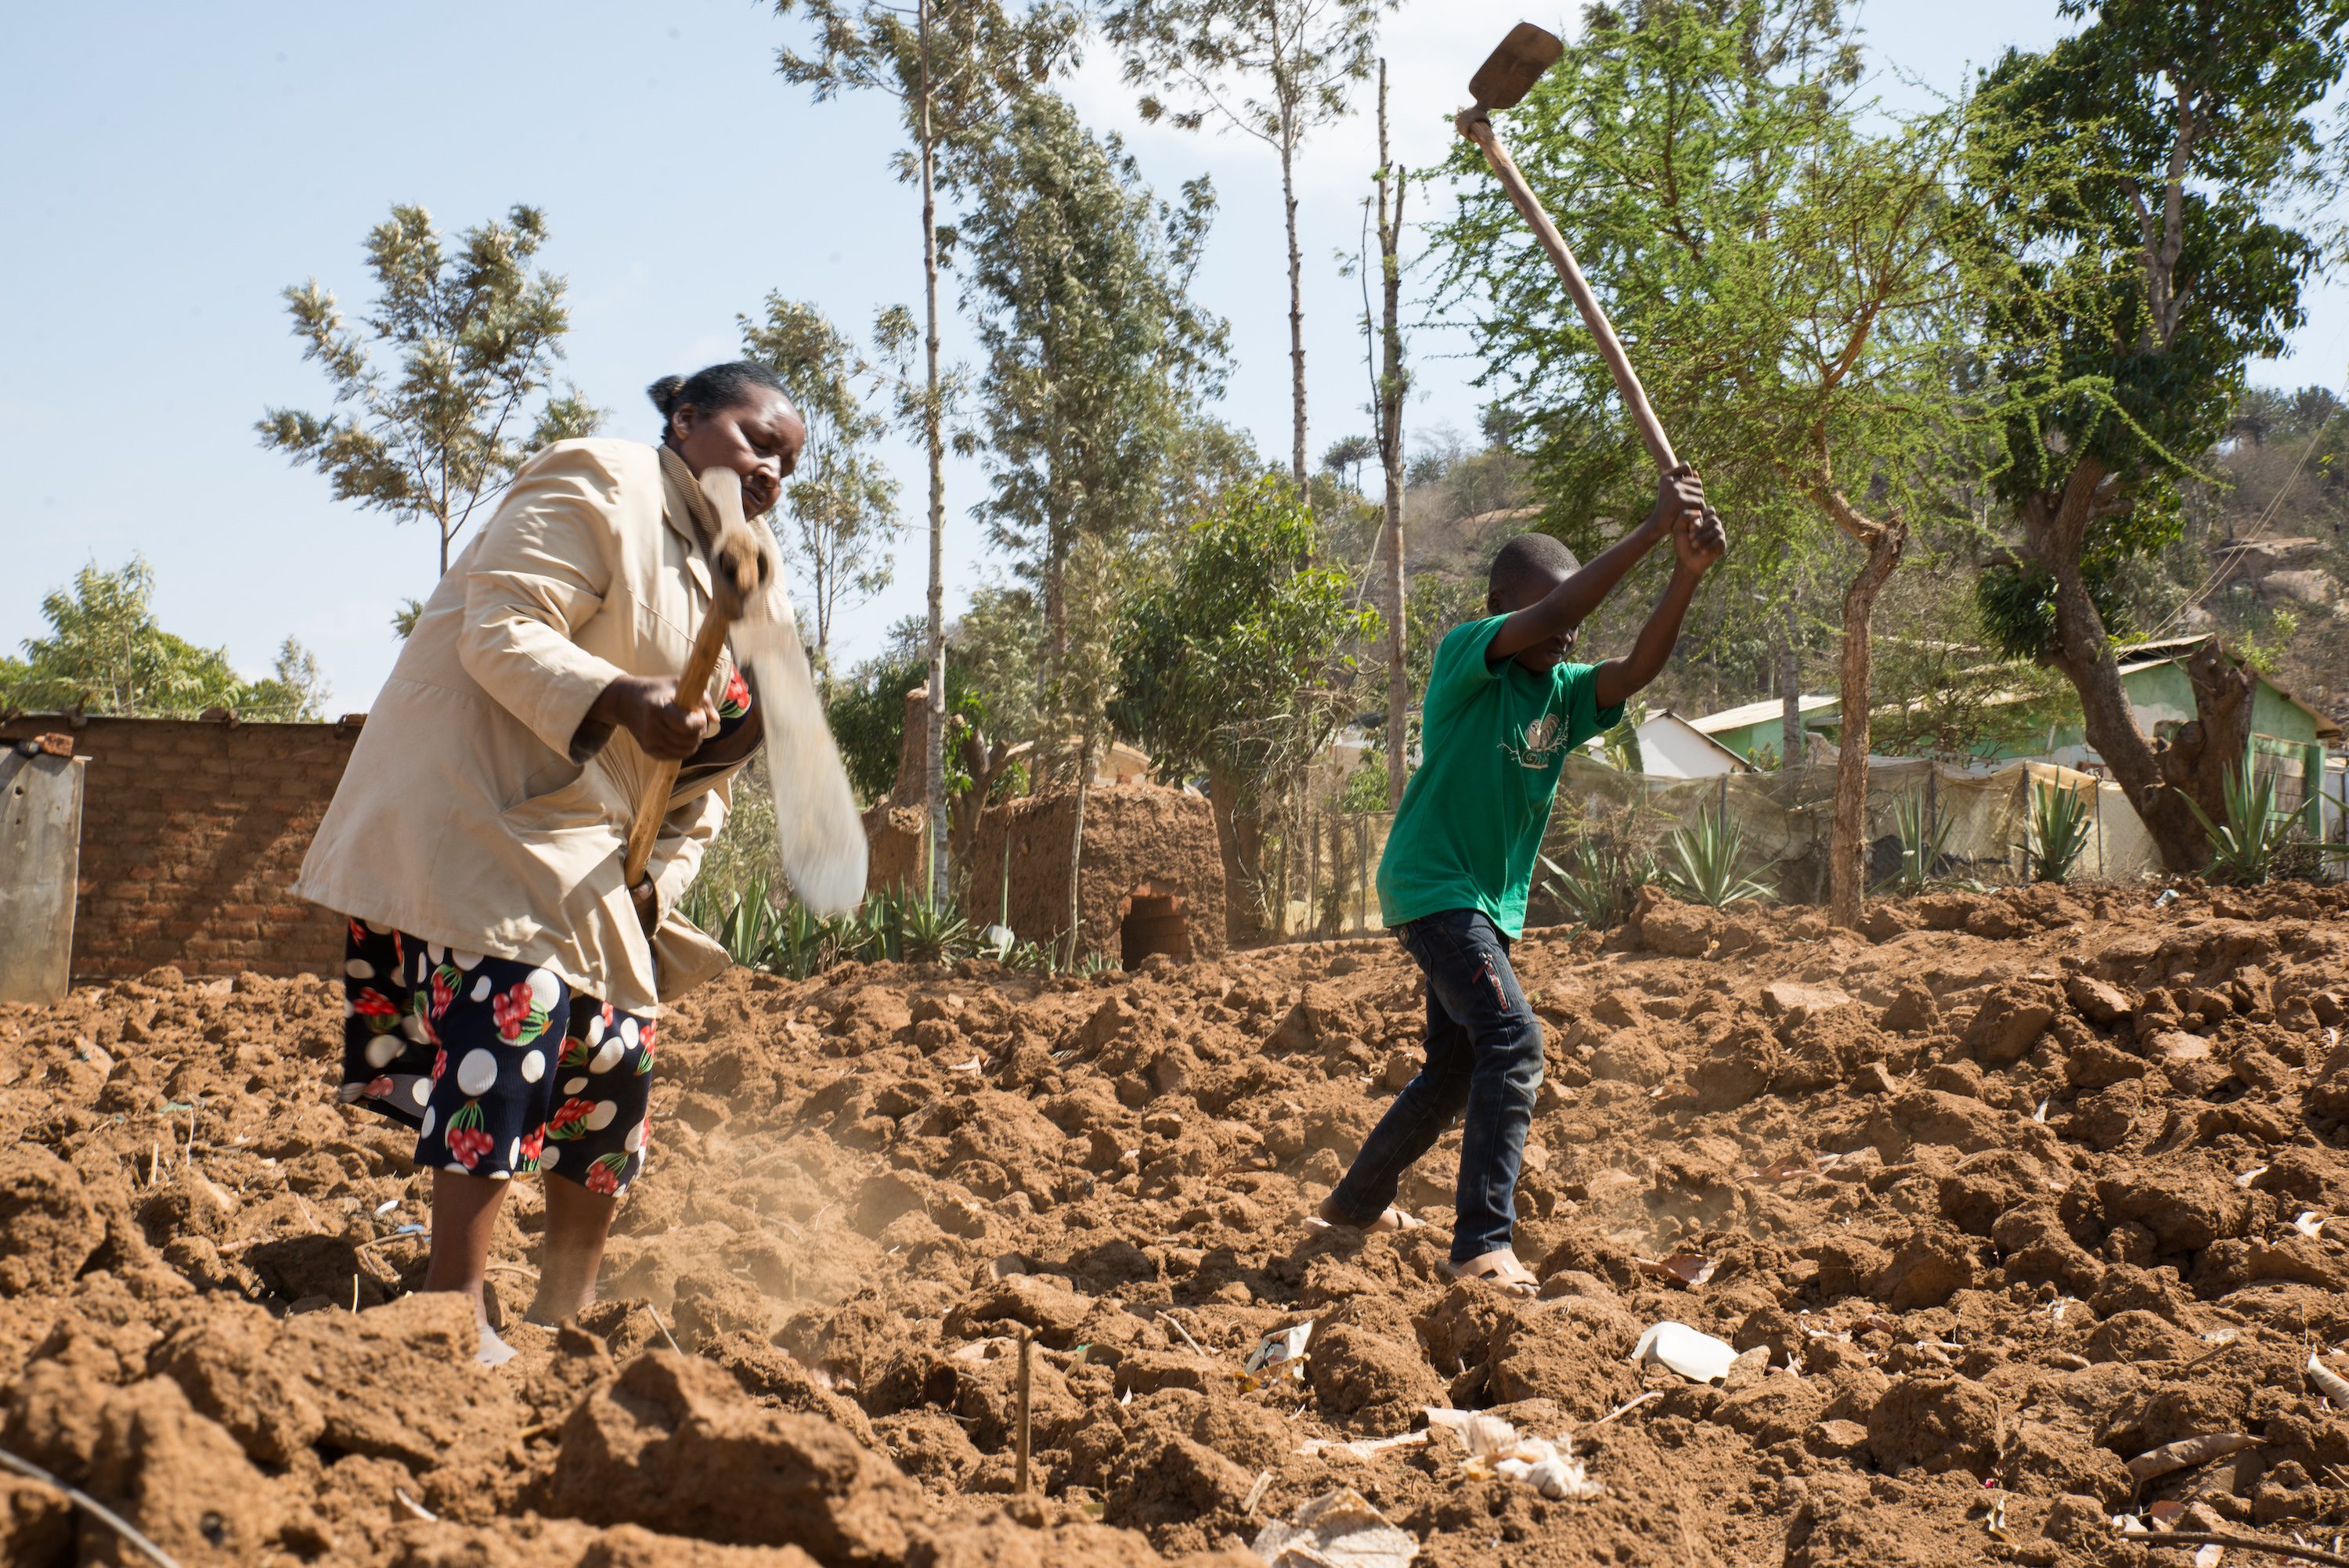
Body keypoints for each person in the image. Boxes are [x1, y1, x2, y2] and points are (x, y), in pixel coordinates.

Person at [292, 362, 803, 1361]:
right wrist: (623, 695)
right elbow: (503, 628)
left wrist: (665, 878)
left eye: (789, 463)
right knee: (509, 1016)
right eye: (756, 440)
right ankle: (456, 1304)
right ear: (688, 421)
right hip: (493, 810)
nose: (773, 471)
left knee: (614, 1060)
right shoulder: (601, 482)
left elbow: (711, 774)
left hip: (599, 854)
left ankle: (560, 1312)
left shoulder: (747, 576)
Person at [1316, 465, 1725, 1295]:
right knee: (1515, 1040)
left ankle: (1353, 1207)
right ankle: (1480, 1243)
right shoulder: (1470, 657)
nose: (1567, 632)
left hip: (1483, 906)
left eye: (1571, 618)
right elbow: (1559, 612)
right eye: (1549, 609)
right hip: (1436, 887)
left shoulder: (1565, 695)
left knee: (1456, 1068)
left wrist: (1684, 573)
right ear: (1503, 604)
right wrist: (1650, 530)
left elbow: (1637, 667)